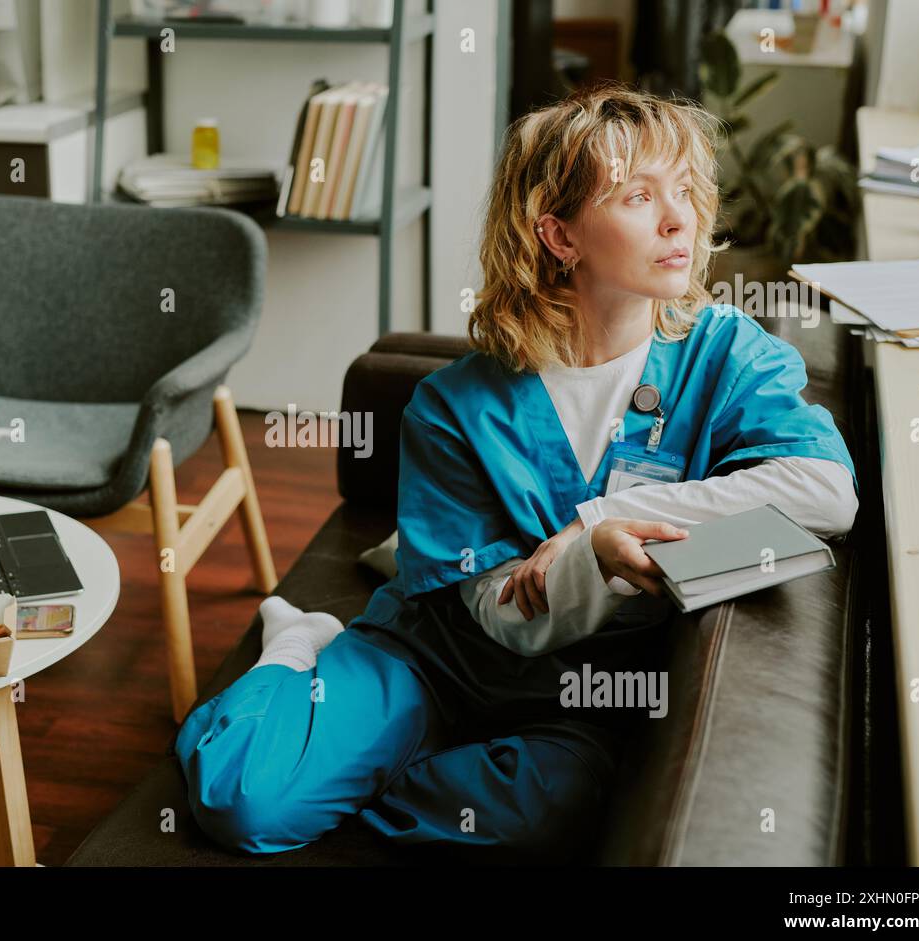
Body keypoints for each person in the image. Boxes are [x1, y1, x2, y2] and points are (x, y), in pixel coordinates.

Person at [174, 82, 858, 861]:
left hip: (579, 695)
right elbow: (499, 613)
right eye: (639, 196)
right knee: (244, 802)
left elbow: (825, 489)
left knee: (547, 810)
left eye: (686, 191)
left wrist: (594, 526)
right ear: (559, 236)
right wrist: (587, 561)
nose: (681, 220)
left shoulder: (726, 354)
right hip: (435, 656)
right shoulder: (453, 407)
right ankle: (298, 649)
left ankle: (352, 763)